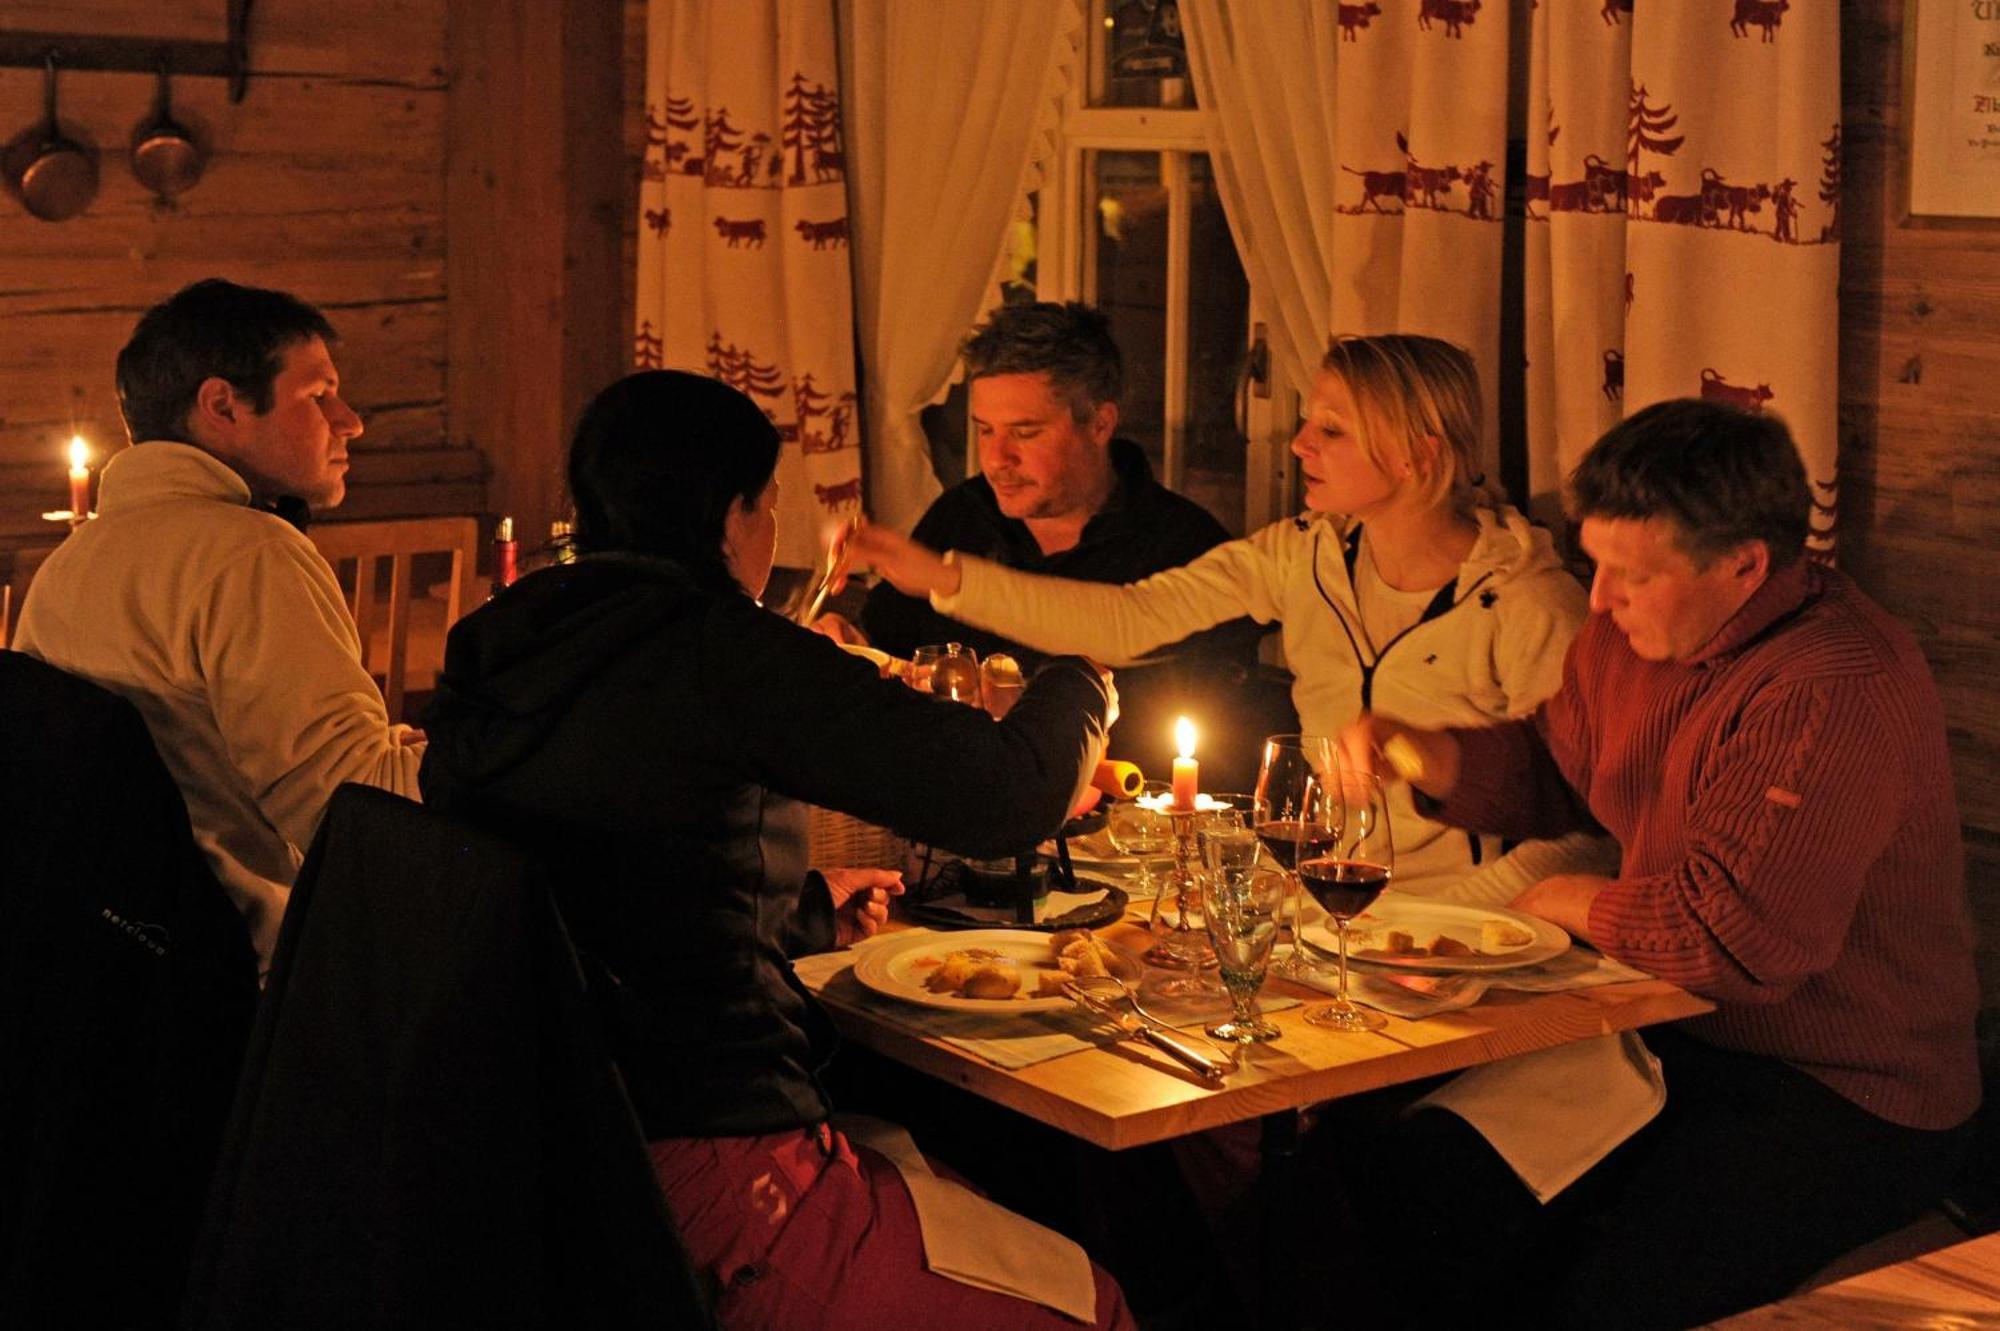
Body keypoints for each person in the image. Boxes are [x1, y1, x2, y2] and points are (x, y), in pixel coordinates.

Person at [417, 370, 1134, 1330]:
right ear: (732, 514)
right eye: (770, 507)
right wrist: (1083, 681)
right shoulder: (726, 649)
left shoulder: (496, 639)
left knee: (963, 1178)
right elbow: (1006, 795)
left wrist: (793, 905)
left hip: (540, 1151)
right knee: (1091, 1301)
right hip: (714, 1165)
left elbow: (591, 864)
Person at [1340, 399, 1982, 1328]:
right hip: (1669, 1034)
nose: (1598, 599)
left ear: (1744, 565)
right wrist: (1425, 750)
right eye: (1596, 562)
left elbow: (1738, 939)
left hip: (1844, 1088)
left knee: (1608, 1297)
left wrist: (1566, 898)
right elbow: (1565, 764)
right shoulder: (1631, 635)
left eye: (1632, 574)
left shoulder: (1834, 683)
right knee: (1409, 1175)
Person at [849, 332, 1612, 903]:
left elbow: (1585, 831)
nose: (1299, 441)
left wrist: (1428, 918)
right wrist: (946, 579)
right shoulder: (1303, 555)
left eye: (1332, 430)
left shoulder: (1526, 601)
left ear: (1416, 453)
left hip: (1471, 945)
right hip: (1332, 906)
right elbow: (1130, 618)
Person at [13, 278, 422, 963]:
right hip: (248, 974)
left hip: (106, 960)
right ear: (223, 405)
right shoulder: (250, 554)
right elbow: (351, 813)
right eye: (318, 396)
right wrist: (471, 756)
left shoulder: (69, 563)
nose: (350, 420)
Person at [820, 300, 1262, 780]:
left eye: (1024, 433)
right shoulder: (962, 518)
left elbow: (1217, 749)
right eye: (985, 431)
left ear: (1100, 423)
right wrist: (852, 648)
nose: (996, 459)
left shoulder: (1182, 547)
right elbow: (895, 656)